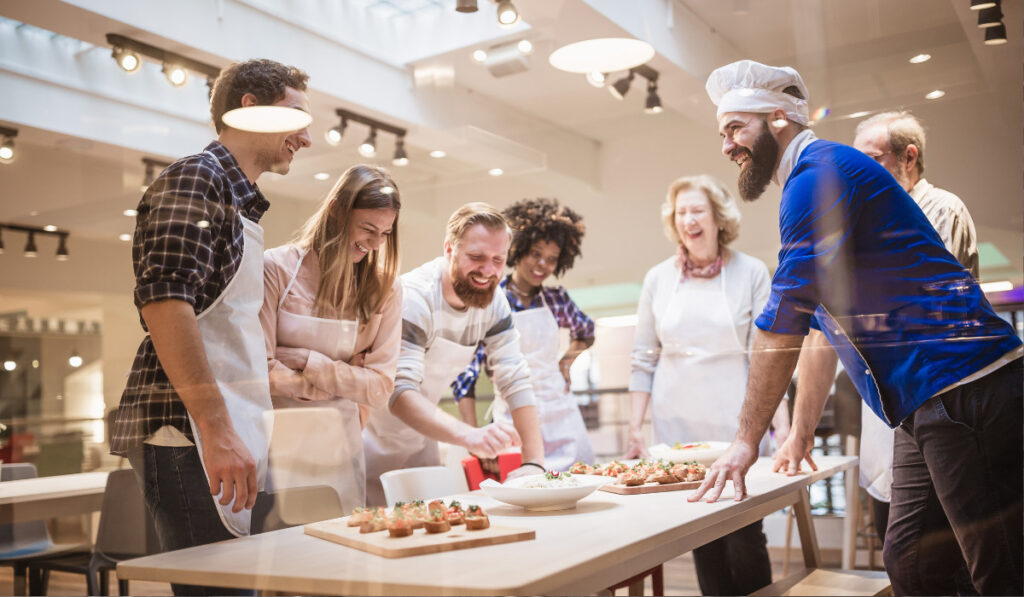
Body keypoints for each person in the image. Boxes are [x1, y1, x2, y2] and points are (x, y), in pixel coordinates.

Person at [690, 59, 1022, 596]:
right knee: (911, 561)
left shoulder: (820, 175)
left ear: (777, 118)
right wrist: (796, 432)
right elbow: (820, 329)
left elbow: (785, 319)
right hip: (922, 400)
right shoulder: (813, 178)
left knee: (998, 570)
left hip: (963, 385)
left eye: (734, 128)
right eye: (722, 132)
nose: (726, 146)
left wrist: (745, 441)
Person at [110, 59, 312, 595]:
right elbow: (164, 303)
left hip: (218, 432)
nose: (306, 137)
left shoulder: (236, 198)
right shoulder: (197, 177)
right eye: (297, 117)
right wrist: (219, 429)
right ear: (251, 108)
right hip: (187, 434)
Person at [627, 174, 786, 595]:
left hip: (736, 422)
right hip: (676, 427)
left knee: (744, 531)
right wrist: (634, 427)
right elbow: (643, 357)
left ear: (718, 217)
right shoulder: (657, 279)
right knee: (700, 532)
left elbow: (766, 355)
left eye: (698, 210)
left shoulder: (750, 271)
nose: (688, 220)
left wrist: (782, 425)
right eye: (681, 212)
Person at [362, 202, 545, 506]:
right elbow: (399, 392)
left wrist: (534, 462)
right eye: (476, 257)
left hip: (424, 437)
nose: (488, 271)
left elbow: (514, 377)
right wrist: (469, 435)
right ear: (449, 249)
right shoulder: (414, 297)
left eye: (498, 260)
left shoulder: (495, 302)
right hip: (369, 439)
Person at [258, 165, 402, 513]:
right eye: (368, 228)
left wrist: (308, 362)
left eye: (385, 233)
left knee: (341, 549)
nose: (375, 243)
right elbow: (259, 371)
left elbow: (380, 388)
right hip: (275, 442)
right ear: (336, 210)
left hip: (341, 446)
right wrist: (342, 380)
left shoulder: (385, 288)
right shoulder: (275, 268)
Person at [452, 198, 596, 472]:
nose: (542, 264)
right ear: (518, 249)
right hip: (512, 421)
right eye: (535, 253)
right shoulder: (490, 302)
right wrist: (473, 438)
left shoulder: (556, 300)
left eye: (552, 259)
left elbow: (586, 331)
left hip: (562, 415)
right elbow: (465, 375)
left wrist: (566, 362)